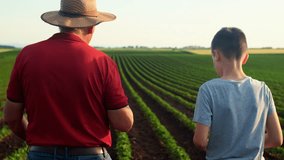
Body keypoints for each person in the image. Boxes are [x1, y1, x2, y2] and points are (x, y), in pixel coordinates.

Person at [3, 0, 134, 159]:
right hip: (89, 155)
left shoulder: (27, 55)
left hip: (41, 154)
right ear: (92, 27)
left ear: (60, 23)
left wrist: (37, 142)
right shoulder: (102, 61)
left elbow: (11, 116)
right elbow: (123, 123)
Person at [193, 27, 283, 159]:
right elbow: (276, 139)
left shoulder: (208, 90)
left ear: (216, 55)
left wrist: (223, 147)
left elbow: (200, 141)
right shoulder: (263, 89)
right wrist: (247, 144)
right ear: (245, 57)